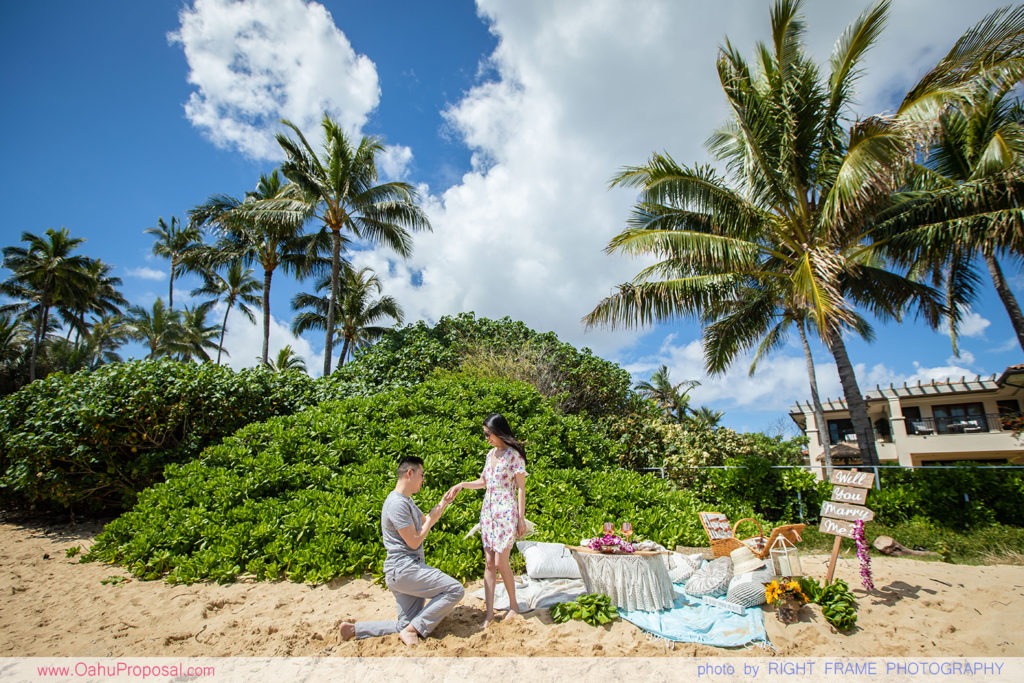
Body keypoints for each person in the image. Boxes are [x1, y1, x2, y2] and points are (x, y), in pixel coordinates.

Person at [339, 455, 464, 646]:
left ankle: (355, 630)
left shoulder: (406, 501)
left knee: (403, 624)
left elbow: (426, 520)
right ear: (410, 473)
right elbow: (414, 541)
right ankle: (413, 630)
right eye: (422, 475)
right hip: (405, 570)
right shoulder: (397, 504)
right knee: (455, 589)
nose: (423, 480)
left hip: (402, 572)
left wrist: (444, 503)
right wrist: (429, 522)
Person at [446, 413, 528, 627]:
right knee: (489, 563)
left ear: (498, 431)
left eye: (488, 434)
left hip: (507, 512)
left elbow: (521, 489)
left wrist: (521, 518)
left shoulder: (514, 456)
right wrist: (462, 484)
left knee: (502, 562)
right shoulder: (490, 454)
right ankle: (489, 613)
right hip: (488, 513)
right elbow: (483, 481)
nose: (486, 438)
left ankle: (514, 606)